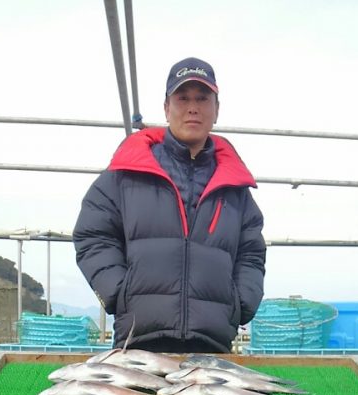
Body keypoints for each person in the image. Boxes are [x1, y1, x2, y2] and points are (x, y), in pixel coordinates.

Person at [73, 57, 266, 353]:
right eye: (182, 98)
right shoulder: (124, 174)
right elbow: (92, 235)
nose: (192, 107)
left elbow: (251, 253)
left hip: (212, 345)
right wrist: (119, 294)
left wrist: (241, 303)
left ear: (216, 109)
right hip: (138, 343)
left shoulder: (236, 189)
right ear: (166, 108)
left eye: (202, 98)